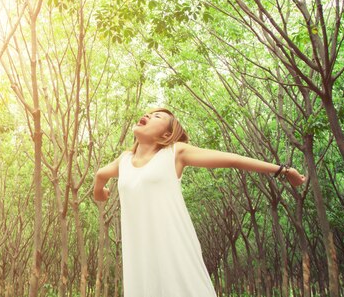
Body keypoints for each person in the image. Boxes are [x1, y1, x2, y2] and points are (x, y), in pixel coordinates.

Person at [93, 108, 306, 297]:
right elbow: (100, 175)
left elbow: (232, 160)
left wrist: (283, 170)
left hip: (174, 250)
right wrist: (100, 192)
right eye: (149, 113)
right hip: (140, 258)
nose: (148, 115)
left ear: (166, 134)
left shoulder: (174, 152)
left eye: (157, 116)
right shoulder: (124, 160)